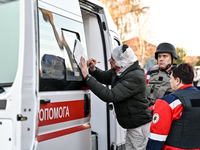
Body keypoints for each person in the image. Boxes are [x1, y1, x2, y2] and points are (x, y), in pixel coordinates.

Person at [79, 44, 152, 150]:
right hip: (132, 126)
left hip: (139, 128)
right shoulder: (122, 70)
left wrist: (87, 77)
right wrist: (93, 69)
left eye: (112, 59)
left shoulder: (135, 76)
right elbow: (104, 77)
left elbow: (110, 95)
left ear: (121, 62)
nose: (109, 60)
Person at [146, 63, 200, 150]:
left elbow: (157, 137)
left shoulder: (168, 102)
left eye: (171, 78)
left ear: (178, 81)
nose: (170, 81)